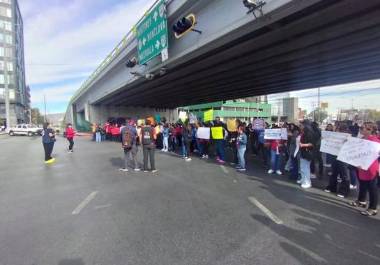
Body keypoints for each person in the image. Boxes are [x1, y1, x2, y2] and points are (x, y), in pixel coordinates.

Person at [349, 122, 379, 216]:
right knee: (362, 185)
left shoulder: (375, 140)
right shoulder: (362, 139)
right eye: (361, 127)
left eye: (363, 128)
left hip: (371, 168)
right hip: (361, 167)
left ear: (370, 130)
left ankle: (373, 208)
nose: (360, 129)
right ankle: (361, 201)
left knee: (372, 188)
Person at [298, 120, 315, 189]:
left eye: (301, 125)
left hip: (307, 152)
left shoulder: (309, 133)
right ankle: (303, 179)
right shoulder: (304, 132)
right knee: (302, 167)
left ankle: (307, 182)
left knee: (305, 168)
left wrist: (303, 145)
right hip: (303, 151)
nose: (300, 126)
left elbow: (312, 144)